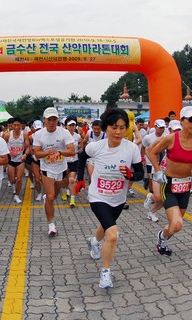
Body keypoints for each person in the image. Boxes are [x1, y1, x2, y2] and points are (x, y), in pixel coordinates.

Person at [76, 108, 142, 288]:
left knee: (106, 226)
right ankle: (105, 272)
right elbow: (82, 158)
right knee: (112, 234)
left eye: (123, 128)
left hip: (118, 198)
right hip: (98, 195)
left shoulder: (132, 148)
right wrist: (80, 179)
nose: (119, 132)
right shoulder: (96, 146)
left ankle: (94, 241)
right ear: (106, 128)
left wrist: (130, 175)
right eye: (114, 127)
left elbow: (141, 174)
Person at [146, 106, 192, 256]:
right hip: (169, 185)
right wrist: (158, 170)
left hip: (185, 187)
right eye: (191, 120)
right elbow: (152, 153)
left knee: (176, 225)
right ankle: (163, 236)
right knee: (177, 223)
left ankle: (163, 237)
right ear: (182, 121)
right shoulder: (170, 139)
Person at [33, 107, 75, 236]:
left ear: (57, 120)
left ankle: (47, 200)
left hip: (61, 169)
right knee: (51, 197)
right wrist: (47, 152)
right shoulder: (39, 134)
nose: (52, 122)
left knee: (53, 196)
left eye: (54, 119)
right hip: (47, 169)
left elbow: (72, 151)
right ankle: (51, 225)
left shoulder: (64, 133)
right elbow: (37, 153)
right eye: (49, 119)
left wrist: (59, 152)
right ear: (44, 120)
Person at [141, 119, 167, 222]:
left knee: (163, 197)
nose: (161, 129)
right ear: (155, 127)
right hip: (152, 164)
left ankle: (151, 201)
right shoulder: (149, 137)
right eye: (159, 127)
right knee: (157, 192)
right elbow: (143, 148)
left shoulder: (167, 137)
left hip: (166, 168)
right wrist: (143, 158)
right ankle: (151, 195)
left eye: (163, 127)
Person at [3, 116, 31, 205]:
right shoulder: (7, 135)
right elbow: (2, 147)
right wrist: (9, 153)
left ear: (21, 126)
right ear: (12, 125)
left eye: (18, 125)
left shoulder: (24, 135)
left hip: (20, 160)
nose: (16, 127)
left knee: (19, 179)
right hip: (11, 160)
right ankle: (14, 186)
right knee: (12, 179)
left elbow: (28, 148)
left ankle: (17, 195)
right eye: (14, 125)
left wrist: (25, 155)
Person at [61, 118, 82, 208]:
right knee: (65, 180)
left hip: (74, 160)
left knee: (72, 180)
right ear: (66, 126)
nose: (72, 127)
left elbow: (81, 144)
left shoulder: (77, 136)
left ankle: (72, 199)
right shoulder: (62, 136)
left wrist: (80, 149)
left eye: (73, 125)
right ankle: (64, 191)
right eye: (70, 125)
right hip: (64, 161)